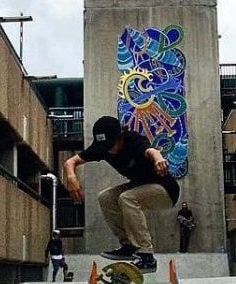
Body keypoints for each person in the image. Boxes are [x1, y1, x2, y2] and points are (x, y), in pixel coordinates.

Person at [63, 115, 180, 273]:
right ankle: (129, 246)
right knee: (105, 197)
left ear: (120, 136)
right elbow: (70, 162)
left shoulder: (133, 140)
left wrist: (158, 157)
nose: (110, 151)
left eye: (112, 145)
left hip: (165, 189)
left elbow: (150, 150)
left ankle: (147, 256)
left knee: (127, 198)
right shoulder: (102, 148)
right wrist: (71, 176)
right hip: (140, 186)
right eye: (106, 147)